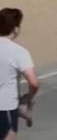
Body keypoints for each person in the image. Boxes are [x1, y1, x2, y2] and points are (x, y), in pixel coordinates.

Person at [0, 8, 38, 138]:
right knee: (9, 135)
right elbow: (33, 83)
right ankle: (23, 108)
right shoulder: (19, 52)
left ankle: (22, 109)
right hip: (4, 106)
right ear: (16, 29)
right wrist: (28, 97)